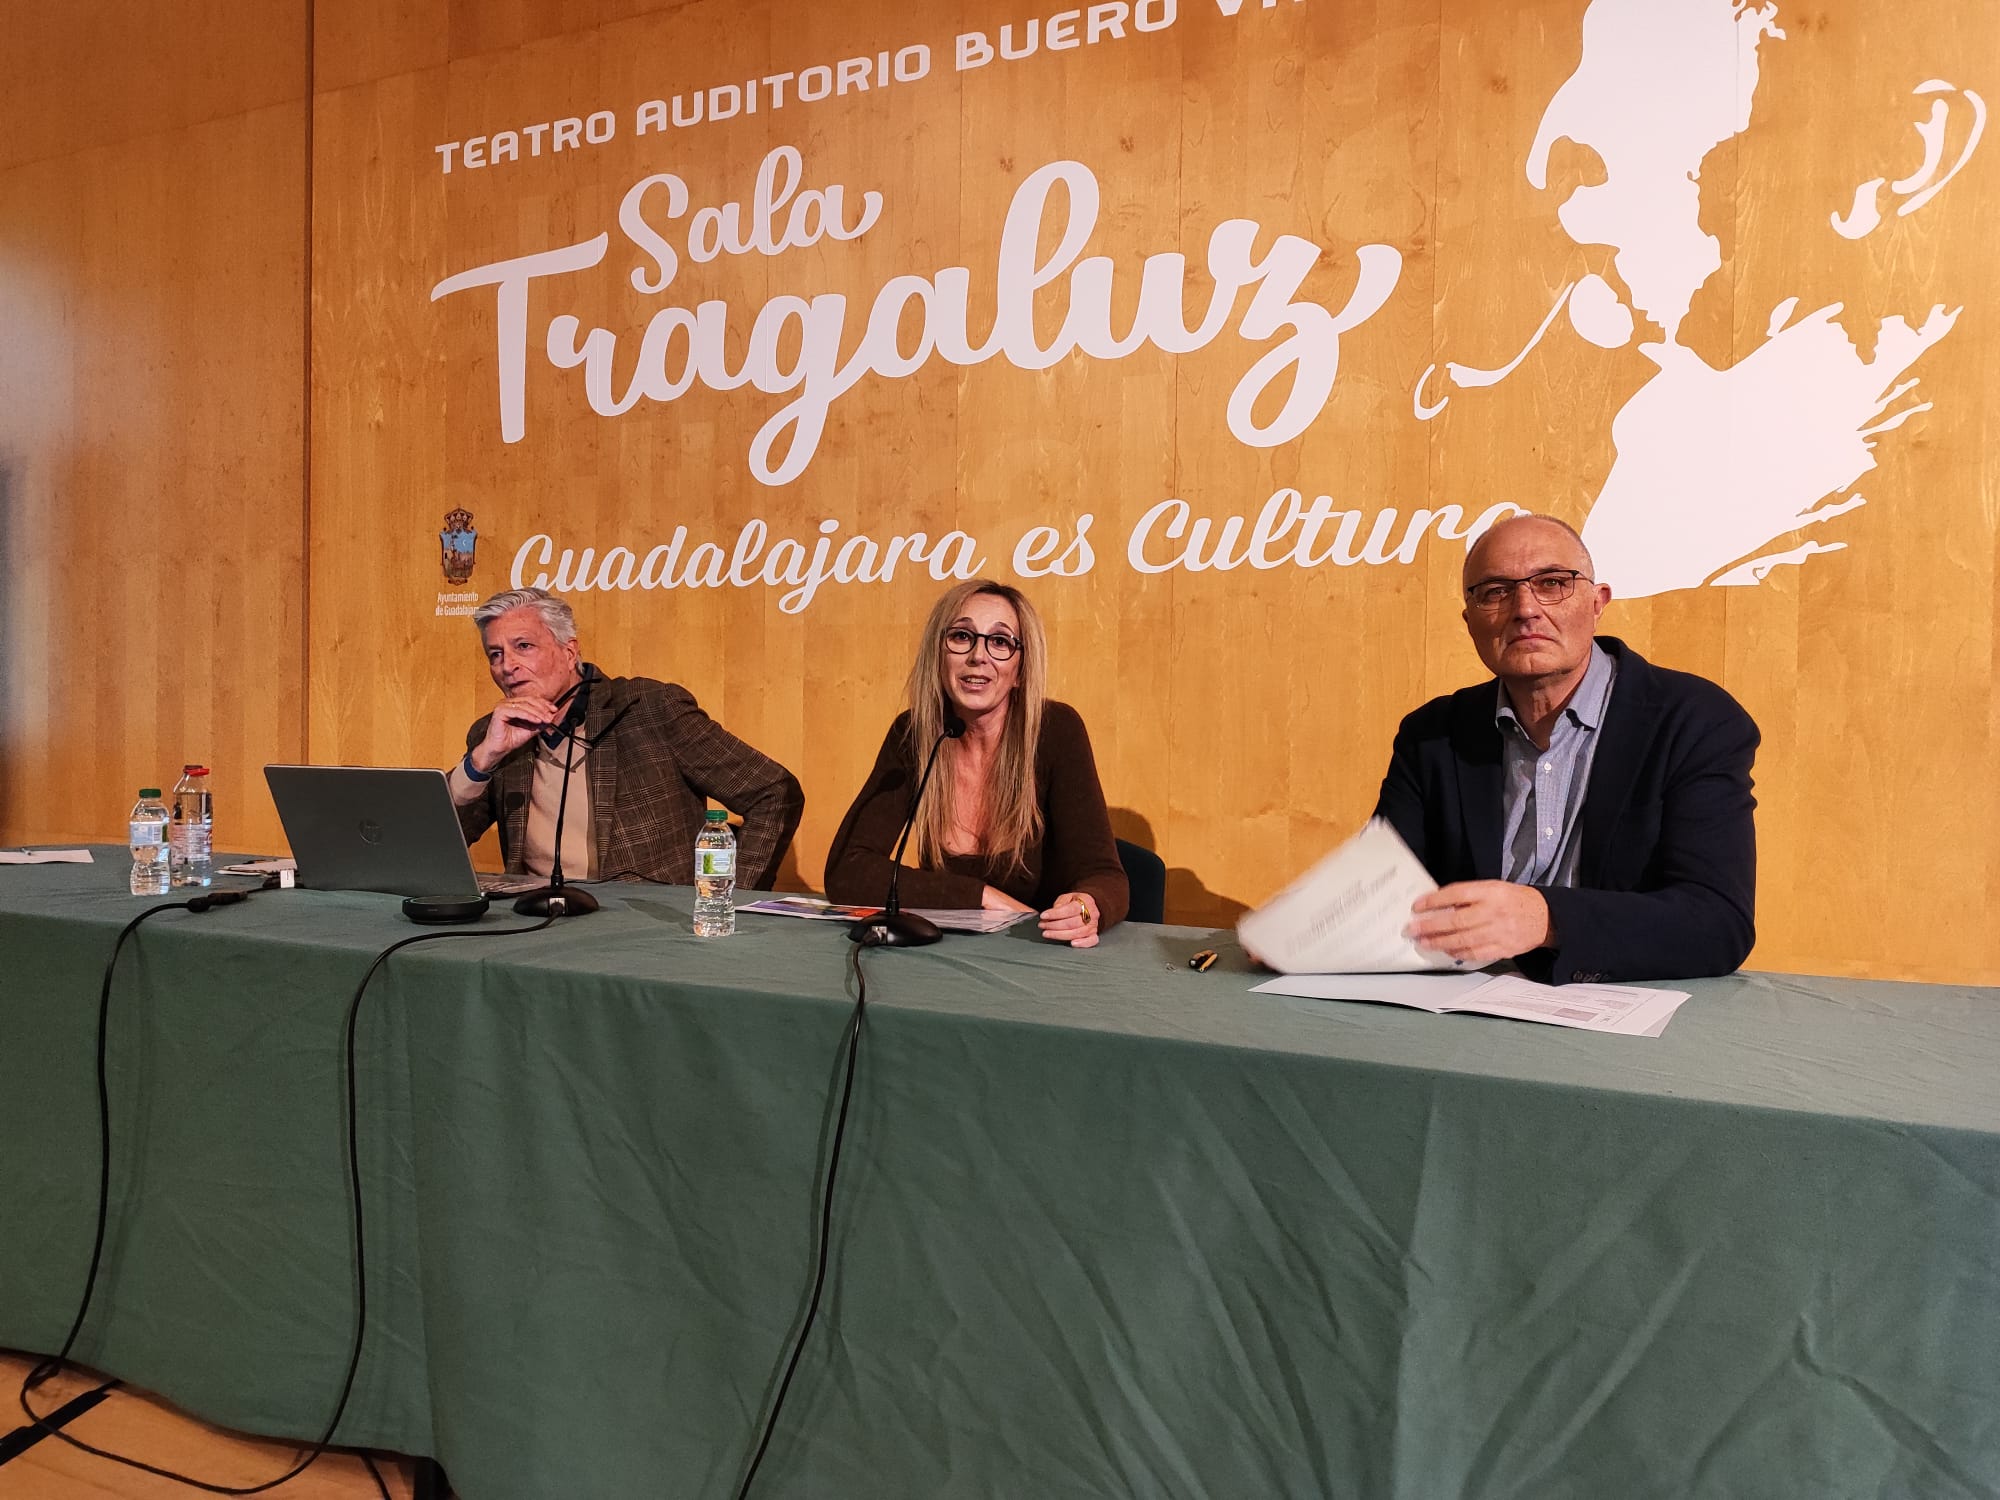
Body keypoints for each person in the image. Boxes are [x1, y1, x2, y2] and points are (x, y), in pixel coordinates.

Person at [1374, 513, 1759, 983]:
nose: (1525, 609)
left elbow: (1718, 923)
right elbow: (1382, 897)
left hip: (1627, 1008)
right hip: (1462, 1005)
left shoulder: (1695, 721)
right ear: (1469, 621)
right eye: (1495, 591)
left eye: (1552, 583)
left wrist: (1546, 918)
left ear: (1598, 603)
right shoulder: (1432, 734)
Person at [824, 580, 1129, 947]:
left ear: (1020, 669)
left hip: (1039, 954)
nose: (978, 656)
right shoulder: (916, 734)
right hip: (941, 953)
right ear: (938, 655)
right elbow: (847, 870)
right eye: (961, 636)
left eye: (1000, 642)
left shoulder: (1055, 730)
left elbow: (1105, 876)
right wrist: (982, 896)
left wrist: (1086, 906)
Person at [449, 588, 804, 888]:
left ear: (569, 652)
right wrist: (483, 759)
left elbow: (774, 793)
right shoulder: (492, 734)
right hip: (535, 920)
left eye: (524, 646)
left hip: (646, 926)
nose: (507, 666)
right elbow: (441, 844)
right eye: (495, 654)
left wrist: (727, 895)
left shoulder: (648, 708)